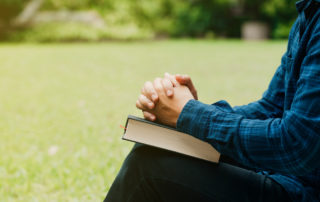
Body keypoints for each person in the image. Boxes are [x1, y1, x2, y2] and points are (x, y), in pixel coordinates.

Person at [105, 0, 320, 201]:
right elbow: (272, 107)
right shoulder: (308, 13)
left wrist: (189, 114)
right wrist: (184, 111)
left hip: (303, 189)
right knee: (156, 148)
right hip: (288, 176)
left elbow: (296, 144)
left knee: (147, 169)